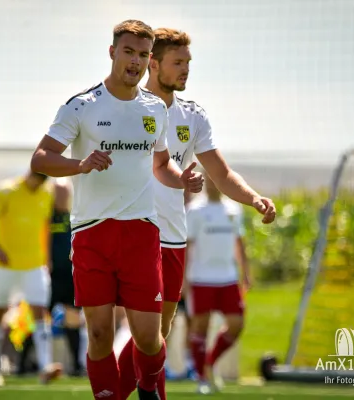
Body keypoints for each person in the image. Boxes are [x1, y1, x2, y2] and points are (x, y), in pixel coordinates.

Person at [30, 19, 203, 400]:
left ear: (149, 61)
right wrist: (80, 164)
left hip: (141, 232)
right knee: (99, 334)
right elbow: (41, 158)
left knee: (148, 337)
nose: (135, 61)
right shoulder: (82, 106)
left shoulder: (155, 108)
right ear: (112, 53)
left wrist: (182, 180)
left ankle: (146, 386)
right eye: (129, 52)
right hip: (92, 233)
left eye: (143, 55)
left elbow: (161, 164)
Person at [116, 27, 276, 399]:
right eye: (178, 62)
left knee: (158, 334)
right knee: (145, 330)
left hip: (174, 235)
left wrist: (254, 199)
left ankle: (127, 392)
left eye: (189, 62)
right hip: (133, 232)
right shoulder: (124, 107)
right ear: (153, 64)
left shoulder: (194, 117)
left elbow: (221, 173)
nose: (186, 69)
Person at [0, 171, 61, 386]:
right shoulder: (6, 191)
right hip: (5, 266)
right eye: (39, 179)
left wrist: (48, 259)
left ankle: (45, 367)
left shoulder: (47, 194)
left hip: (34, 266)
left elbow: (46, 229)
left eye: (45, 180)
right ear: (31, 174)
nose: (41, 184)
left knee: (40, 311)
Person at [185, 173, 251, 394]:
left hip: (228, 278)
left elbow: (239, 243)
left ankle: (210, 363)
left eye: (217, 178)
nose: (214, 182)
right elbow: (187, 246)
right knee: (199, 329)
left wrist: (246, 273)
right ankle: (202, 379)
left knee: (237, 323)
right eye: (210, 178)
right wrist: (183, 279)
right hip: (202, 278)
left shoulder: (234, 210)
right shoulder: (195, 210)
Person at [48, 179, 85, 376]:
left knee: (73, 320)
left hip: (69, 277)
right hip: (50, 276)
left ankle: (76, 365)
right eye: (58, 193)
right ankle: (23, 363)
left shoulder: (74, 218)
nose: (61, 197)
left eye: (65, 194)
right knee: (38, 318)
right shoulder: (46, 218)